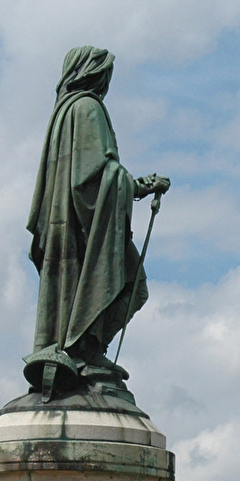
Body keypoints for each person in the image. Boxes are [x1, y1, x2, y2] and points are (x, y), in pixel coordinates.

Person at [25, 44, 171, 397]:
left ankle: (81, 350)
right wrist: (139, 186)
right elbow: (95, 176)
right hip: (85, 232)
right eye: (105, 71)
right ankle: (84, 350)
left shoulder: (62, 113)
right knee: (131, 284)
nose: (108, 79)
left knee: (81, 290)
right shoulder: (88, 107)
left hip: (70, 227)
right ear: (94, 73)